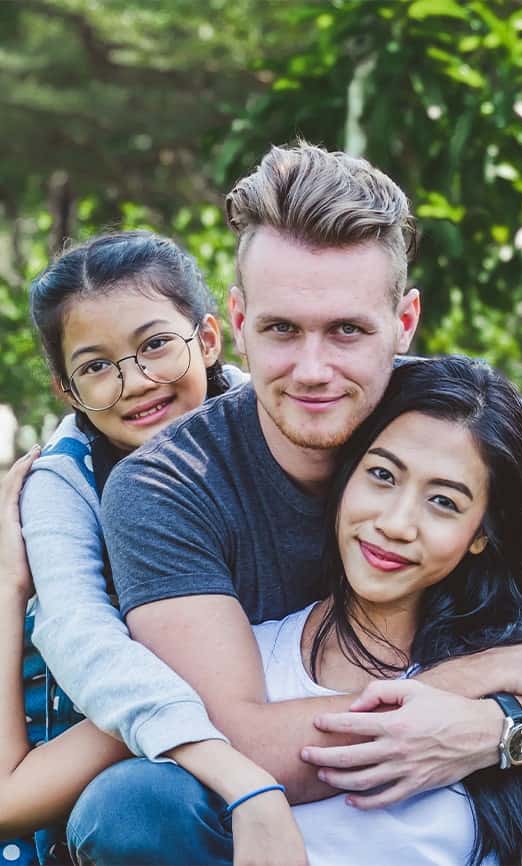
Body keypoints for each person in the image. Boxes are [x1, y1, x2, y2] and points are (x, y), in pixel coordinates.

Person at [63, 142, 522, 865]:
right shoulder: (168, 486)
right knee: (136, 804)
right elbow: (237, 739)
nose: (314, 370)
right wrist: (448, 696)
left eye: (348, 331)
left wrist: (495, 718)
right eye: (282, 330)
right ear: (236, 321)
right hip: (262, 828)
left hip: (473, 808)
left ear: (405, 320)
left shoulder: (471, 429)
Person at [3, 356, 522, 866]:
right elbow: (13, 794)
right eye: (382, 476)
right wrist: (7, 587)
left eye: (444, 502)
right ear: (343, 479)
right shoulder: (225, 673)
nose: (396, 522)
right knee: (127, 802)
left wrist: (495, 694)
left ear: (480, 535)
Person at [4, 230, 307, 866]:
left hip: (265, 681)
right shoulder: (64, 480)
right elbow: (78, 632)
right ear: (68, 390)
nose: (135, 382)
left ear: (208, 338)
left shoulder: (274, 416)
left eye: (155, 346)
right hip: (131, 707)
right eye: (95, 367)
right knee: (132, 809)